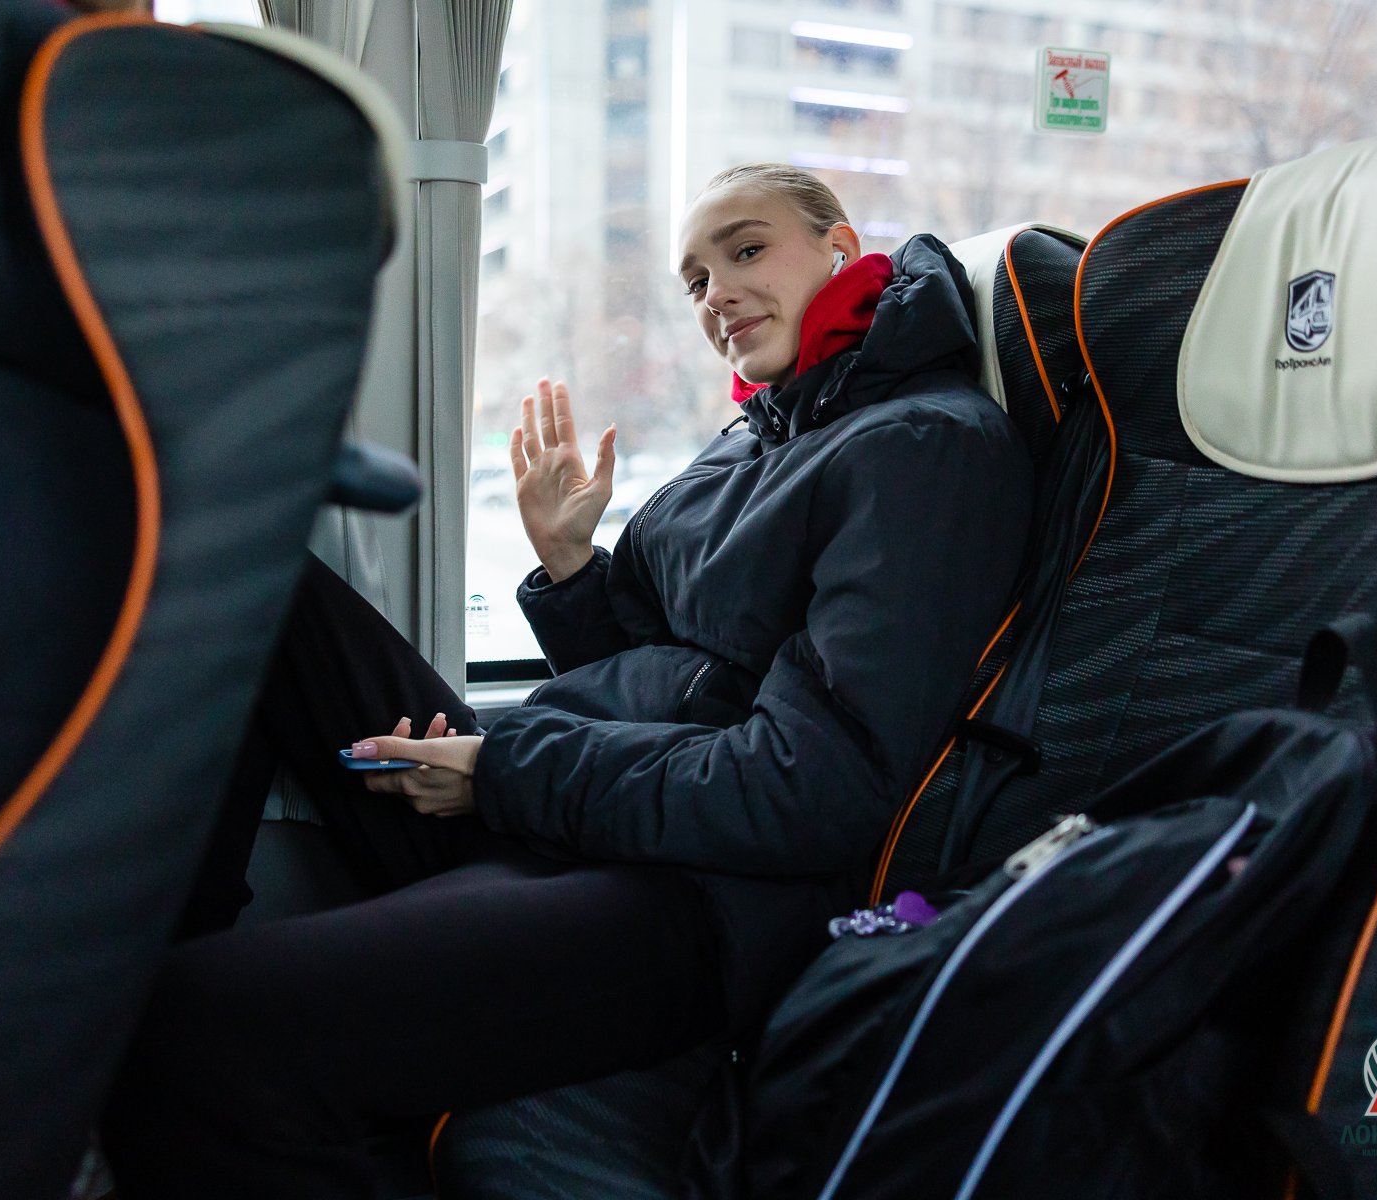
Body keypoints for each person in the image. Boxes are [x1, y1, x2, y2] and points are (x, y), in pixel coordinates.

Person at [102, 164, 1035, 1198]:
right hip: (591, 811)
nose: (717, 295)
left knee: (191, 1029)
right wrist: (571, 568)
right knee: (256, 583)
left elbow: (807, 788)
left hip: (704, 900)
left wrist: (504, 771)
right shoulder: (759, 437)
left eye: (746, 250)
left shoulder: (922, 448)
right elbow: (664, 685)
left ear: (841, 246)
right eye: (695, 280)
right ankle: (124, 950)